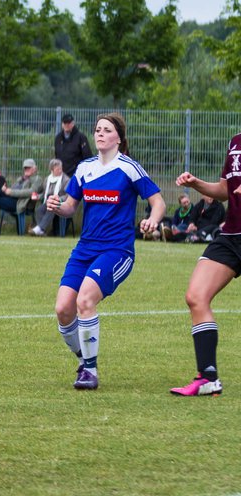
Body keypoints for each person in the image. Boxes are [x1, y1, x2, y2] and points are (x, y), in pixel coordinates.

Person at [44, 113, 164, 390]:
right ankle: (84, 358)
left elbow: (158, 202)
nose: (99, 134)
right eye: (97, 129)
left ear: (118, 138)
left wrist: (153, 220)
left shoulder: (129, 168)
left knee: (85, 300)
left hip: (116, 250)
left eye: (106, 130)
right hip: (85, 248)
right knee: (63, 309)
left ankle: (90, 370)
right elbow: (70, 208)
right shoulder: (85, 168)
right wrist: (56, 205)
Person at [167, 137, 241, 396]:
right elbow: (225, 190)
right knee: (196, 296)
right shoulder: (236, 142)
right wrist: (196, 183)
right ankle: (208, 378)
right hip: (232, 235)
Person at [0, 158, 45, 234]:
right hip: (13, 199)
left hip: (21, 203)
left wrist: (11, 192)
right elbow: (12, 189)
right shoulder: (21, 179)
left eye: (29, 168)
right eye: (25, 168)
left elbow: (31, 192)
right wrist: (6, 189)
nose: (26, 169)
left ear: (34, 169)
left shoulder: (37, 179)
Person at [29, 159, 70, 236]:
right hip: (48, 201)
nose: (60, 170)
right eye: (57, 169)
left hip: (61, 203)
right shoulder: (47, 179)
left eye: (61, 168)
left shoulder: (66, 180)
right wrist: (38, 196)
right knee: (39, 210)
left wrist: (59, 199)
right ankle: (42, 231)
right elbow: (44, 193)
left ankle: (39, 229)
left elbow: (68, 195)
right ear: (52, 170)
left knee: (52, 207)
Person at [55, 113, 93, 178]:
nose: (67, 125)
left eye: (69, 123)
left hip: (76, 174)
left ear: (73, 123)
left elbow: (87, 156)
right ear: (62, 124)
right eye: (65, 123)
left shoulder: (81, 137)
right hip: (62, 174)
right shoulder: (58, 138)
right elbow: (57, 155)